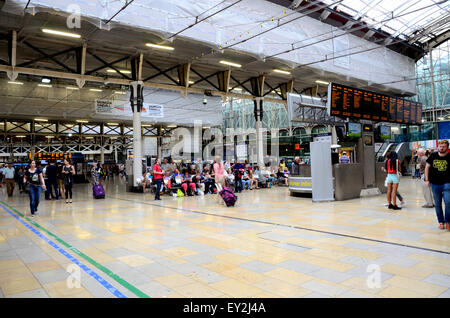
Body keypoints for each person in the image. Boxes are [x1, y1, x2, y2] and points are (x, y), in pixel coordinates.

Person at [425, 140, 450, 230]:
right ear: (438, 147)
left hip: (447, 183)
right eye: (440, 146)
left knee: (448, 202)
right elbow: (427, 167)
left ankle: (447, 221)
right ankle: (441, 221)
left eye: (444, 146)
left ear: (447, 147)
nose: (442, 148)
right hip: (435, 183)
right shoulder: (433, 155)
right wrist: (427, 180)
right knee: (437, 204)